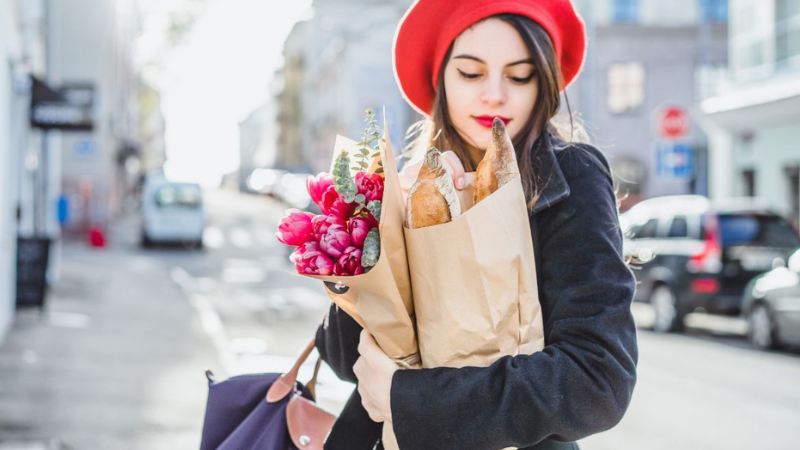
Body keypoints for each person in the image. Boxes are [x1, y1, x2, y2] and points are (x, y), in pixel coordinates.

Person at [315, 1, 638, 449]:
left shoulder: (571, 177)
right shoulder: (406, 182)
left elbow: (598, 379)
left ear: (542, 83)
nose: (494, 94)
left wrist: (411, 401)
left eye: (519, 75)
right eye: (470, 73)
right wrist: (376, 231)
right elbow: (339, 357)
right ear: (441, 78)